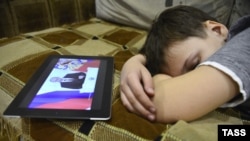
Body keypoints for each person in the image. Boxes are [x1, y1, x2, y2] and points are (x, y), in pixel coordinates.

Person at [120, 5, 250, 123]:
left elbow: (160, 104)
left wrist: (156, 78)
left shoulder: (243, 43)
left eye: (194, 64)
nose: (190, 81)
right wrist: (136, 61)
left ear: (216, 30)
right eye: (179, 80)